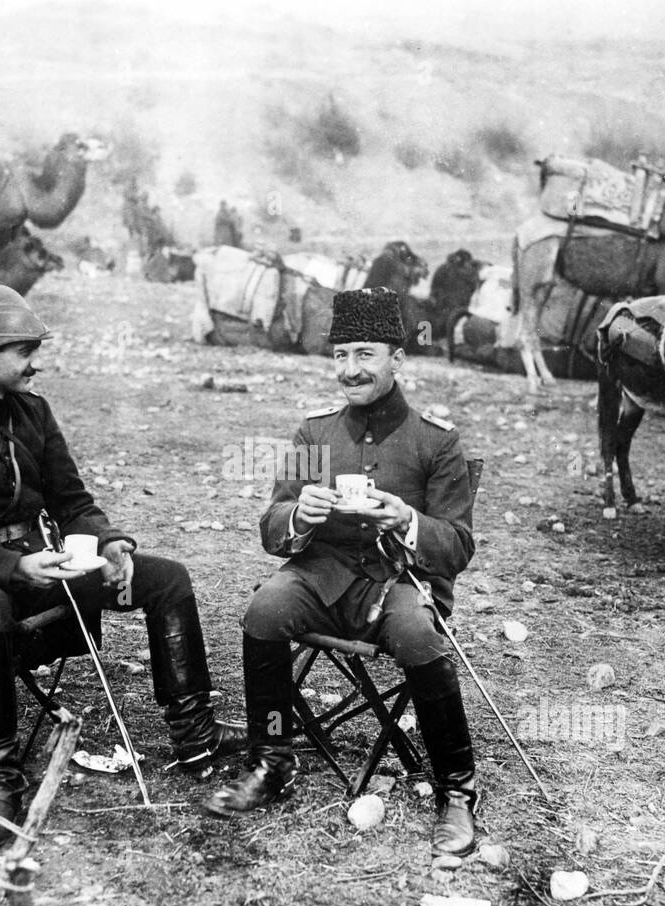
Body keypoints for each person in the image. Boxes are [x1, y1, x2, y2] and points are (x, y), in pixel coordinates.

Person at [0, 285, 242, 847]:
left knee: (168, 580)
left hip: (47, 567)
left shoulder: (33, 413)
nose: (37, 363)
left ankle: (194, 738)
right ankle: (1, 782)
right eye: (25, 351)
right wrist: (16, 569)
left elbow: (71, 501)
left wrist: (110, 542)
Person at [203, 287, 480, 857]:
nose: (349, 370)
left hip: (399, 582)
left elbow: (456, 547)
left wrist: (408, 519)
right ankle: (272, 760)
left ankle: (456, 790)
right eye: (340, 356)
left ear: (396, 360)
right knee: (264, 610)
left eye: (364, 354)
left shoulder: (437, 440)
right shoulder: (316, 433)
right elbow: (272, 524)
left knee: (417, 635)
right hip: (322, 577)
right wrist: (298, 516)